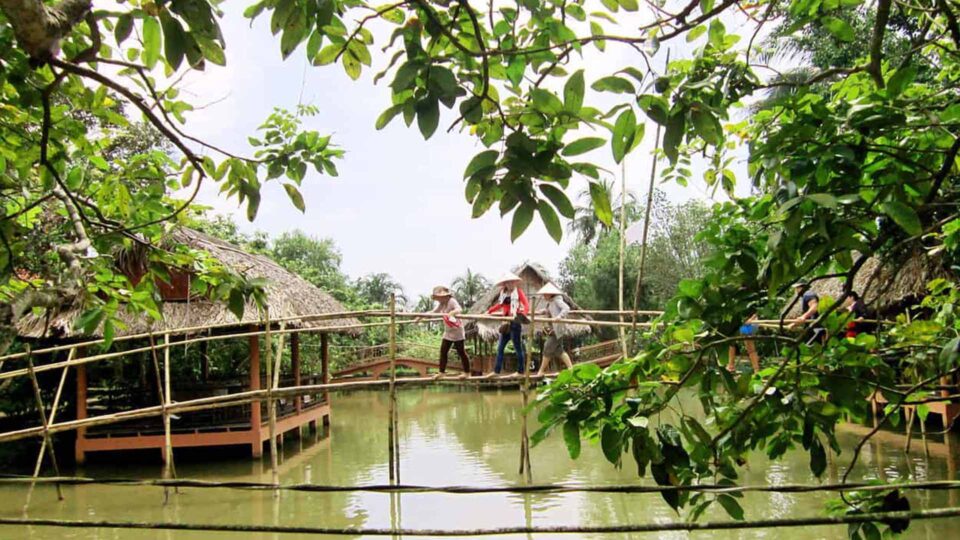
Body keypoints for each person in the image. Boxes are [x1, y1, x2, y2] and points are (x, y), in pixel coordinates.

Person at [485, 273, 529, 377]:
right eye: (508, 282)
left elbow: (526, 305)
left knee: (518, 348)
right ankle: (496, 371)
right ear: (505, 284)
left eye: (512, 282)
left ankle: (520, 372)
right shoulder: (503, 293)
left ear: (515, 282)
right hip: (505, 322)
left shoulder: (518, 292)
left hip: (515, 321)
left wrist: (523, 315)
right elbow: (499, 305)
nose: (510, 284)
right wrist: (490, 311)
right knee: (500, 348)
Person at [427, 286, 470, 379]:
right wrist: (420, 317)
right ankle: (441, 373)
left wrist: (451, 313)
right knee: (443, 351)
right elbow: (433, 312)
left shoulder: (451, 301)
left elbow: (459, 309)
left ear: (444, 296)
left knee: (461, 352)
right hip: (448, 331)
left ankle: (467, 373)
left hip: (457, 330)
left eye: (439, 297)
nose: (438, 299)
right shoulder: (442, 304)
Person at [534, 283, 574, 377]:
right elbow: (549, 310)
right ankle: (571, 369)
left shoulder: (557, 300)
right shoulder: (550, 302)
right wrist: (541, 312)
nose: (544, 296)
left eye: (545, 294)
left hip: (557, 330)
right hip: (553, 329)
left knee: (547, 347)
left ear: (550, 293)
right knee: (559, 351)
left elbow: (566, 308)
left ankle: (541, 371)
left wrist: (559, 316)